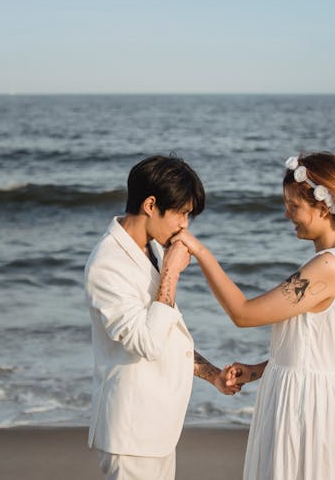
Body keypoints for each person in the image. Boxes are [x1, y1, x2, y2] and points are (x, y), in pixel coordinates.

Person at [172, 152, 335, 480]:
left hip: (305, 407)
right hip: (297, 393)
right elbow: (312, 344)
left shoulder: (328, 267)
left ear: (321, 206)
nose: (287, 214)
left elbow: (243, 314)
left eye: (294, 206)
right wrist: (260, 369)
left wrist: (199, 251)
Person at [84, 155, 239, 480]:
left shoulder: (151, 249)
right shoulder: (107, 264)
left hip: (156, 431)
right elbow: (148, 343)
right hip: (130, 436)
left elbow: (166, 335)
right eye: (182, 213)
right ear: (151, 205)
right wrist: (171, 273)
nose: (185, 225)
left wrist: (212, 376)